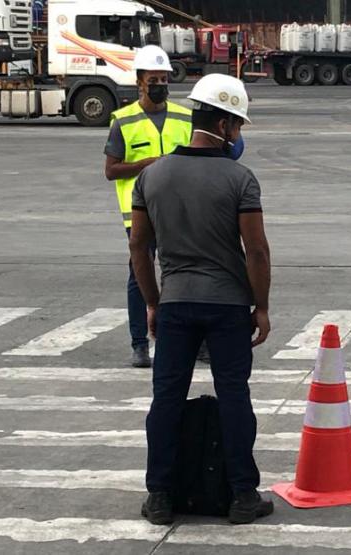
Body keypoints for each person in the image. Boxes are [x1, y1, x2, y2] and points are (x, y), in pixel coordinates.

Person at [129, 73, 273, 525]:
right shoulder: (240, 178)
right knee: (234, 397)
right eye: (239, 126)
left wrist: (153, 302)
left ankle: (160, 496)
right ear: (227, 125)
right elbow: (257, 250)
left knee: (166, 398)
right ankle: (242, 495)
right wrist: (261, 306)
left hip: (175, 305)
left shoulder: (151, 176)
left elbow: (138, 248)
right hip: (228, 307)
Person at [105, 44, 191, 368]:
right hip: (140, 212)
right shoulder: (123, 122)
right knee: (139, 275)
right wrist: (148, 164)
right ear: (140, 81)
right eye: (153, 79)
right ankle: (140, 344)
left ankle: (188, 341)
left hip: (181, 209)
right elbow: (111, 170)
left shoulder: (185, 117)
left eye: (163, 78)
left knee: (183, 272)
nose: (159, 84)